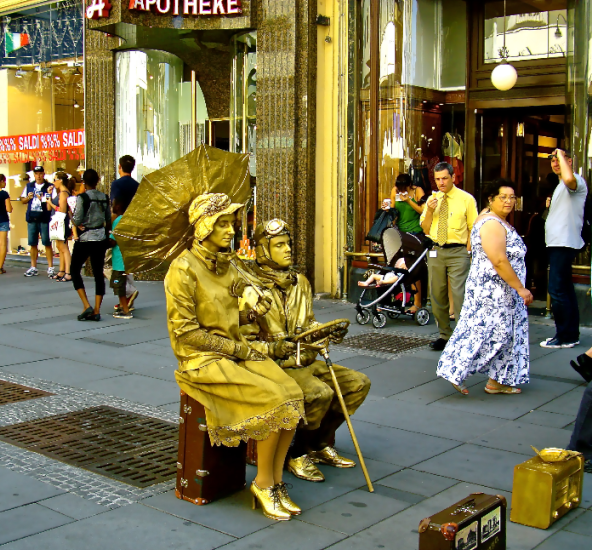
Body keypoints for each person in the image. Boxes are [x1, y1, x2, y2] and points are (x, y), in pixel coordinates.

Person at [165, 194, 305, 521]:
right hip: (203, 360)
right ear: (204, 227)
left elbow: (229, 316)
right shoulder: (182, 269)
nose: (232, 230)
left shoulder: (227, 267)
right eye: (223, 223)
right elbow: (186, 334)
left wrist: (252, 313)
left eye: (232, 222)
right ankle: (264, 482)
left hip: (236, 351)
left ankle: (277, 481)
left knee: (293, 394)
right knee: (274, 401)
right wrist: (239, 347)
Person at [242, 219, 370, 483]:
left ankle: (319, 444)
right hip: (276, 365)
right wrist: (274, 348)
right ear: (263, 250)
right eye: (279, 245)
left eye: (288, 244)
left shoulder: (300, 282)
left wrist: (324, 331)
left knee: (357, 384)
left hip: (306, 358)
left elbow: (308, 323)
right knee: (317, 394)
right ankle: (297, 453)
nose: (288, 249)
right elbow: (244, 342)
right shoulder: (250, 288)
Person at [437, 179, 532, 395]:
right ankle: (455, 369)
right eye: (503, 197)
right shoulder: (491, 223)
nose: (509, 202)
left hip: (500, 290)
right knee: (490, 332)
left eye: (512, 197)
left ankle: (498, 381)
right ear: (491, 199)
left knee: (506, 334)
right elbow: (498, 260)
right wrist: (520, 288)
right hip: (494, 291)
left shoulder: (495, 220)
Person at [420, 161, 478, 351]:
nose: (441, 183)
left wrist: (468, 251)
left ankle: (463, 337)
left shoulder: (466, 199)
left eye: (445, 178)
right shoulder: (432, 199)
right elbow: (425, 228)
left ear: (453, 177)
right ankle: (445, 335)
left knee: (460, 295)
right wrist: (429, 209)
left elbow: (473, 228)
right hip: (436, 250)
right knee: (437, 295)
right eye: (437, 179)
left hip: (458, 251)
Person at [540, 149, 588, 349]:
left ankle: (564, 336)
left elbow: (569, 178)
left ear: (569, 161)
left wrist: (560, 153)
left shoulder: (575, 179)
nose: (555, 162)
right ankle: (570, 334)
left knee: (557, 290)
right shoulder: (561, 185)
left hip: (564, 242)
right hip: (557, 242)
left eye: (559, 159)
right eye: (552, 159)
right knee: (565, 290)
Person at [70, 169, 111, 322]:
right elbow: (108, 218)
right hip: (100, 238)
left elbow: (77, 218)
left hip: (86, 238)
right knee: (98, 273)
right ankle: (97, 309)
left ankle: (86, 304)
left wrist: (74, 220)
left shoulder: (82, 198)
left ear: (84, 182)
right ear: (98, 181)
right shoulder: (104, 197)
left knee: (74, 269)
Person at [383, 173, 425, 312]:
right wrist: (388, 209)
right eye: (399, 189)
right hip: (400, 234)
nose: (401, 191)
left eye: (403, 188)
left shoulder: (417, 191)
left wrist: (408, 201)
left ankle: (417, 302)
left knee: (413, 267)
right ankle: (397, 297)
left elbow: (423, 211)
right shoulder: (395, 191)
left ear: (409, 186)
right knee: (396, 265)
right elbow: (394, 213)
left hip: (415, 233)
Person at [109, 155, 139, 312]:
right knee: (127, 262)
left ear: (119, 167)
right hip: (133, 225)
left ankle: (128, 293)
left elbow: (114, 205)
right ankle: (128, 298)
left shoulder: (117, 184)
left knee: (113, 264)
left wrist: (110, 225)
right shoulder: (137, 185)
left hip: (119, 225)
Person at [20, 166, 55, 278]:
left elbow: (52, 202)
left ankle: (50, 267)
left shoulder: (49, 186)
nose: (38, 176)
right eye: (36, 174)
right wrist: (28, 198)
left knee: (47, 242)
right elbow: (22, 200)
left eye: (40, 173)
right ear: (34, 175)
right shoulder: (29, 186)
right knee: (32, 243)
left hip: (44, 217)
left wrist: (43, 198)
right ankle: (33, 266)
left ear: (43, 174)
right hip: (32, 217)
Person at [46, 172, 73, 282]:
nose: (54, 182)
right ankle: (62, 270)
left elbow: (62, 209)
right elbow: (49, 208)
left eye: (55, 179)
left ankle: (68, 272)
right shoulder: (59, 193)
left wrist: (50, 203)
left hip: (61, 221)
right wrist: (49, 195)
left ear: (60, 180)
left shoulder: (64, 193)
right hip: (57, 221)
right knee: (59, 246)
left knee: (63, 247)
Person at [109, 199, 133, 319]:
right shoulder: (126, 220)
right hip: (124, 259)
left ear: (118, 206)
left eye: (113, 204)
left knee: (119, 286)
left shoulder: (117, 221)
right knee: (119, 285)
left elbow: (113, 241)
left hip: (119, 260)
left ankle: (125, 309)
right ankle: (123, 307)